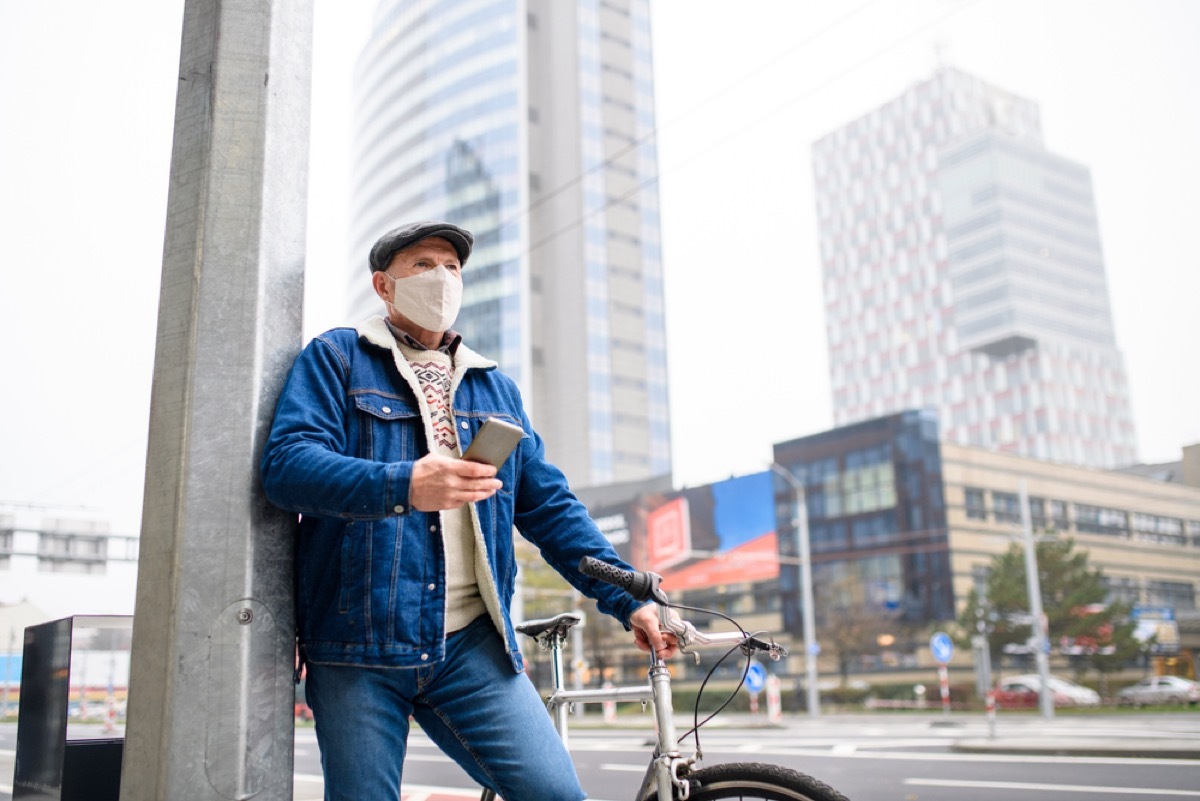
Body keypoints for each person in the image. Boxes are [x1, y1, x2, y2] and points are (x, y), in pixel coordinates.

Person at [261, 220, 674, 801]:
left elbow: (548, 506)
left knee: (557, 795)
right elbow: (287, 466)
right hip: (359, 644)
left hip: (472, 643)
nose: (442, 278)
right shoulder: (337, 357)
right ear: (384, 285)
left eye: (452, 268)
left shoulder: (493, 386)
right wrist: (403, 483)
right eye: (424, 265)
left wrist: (628, 598)